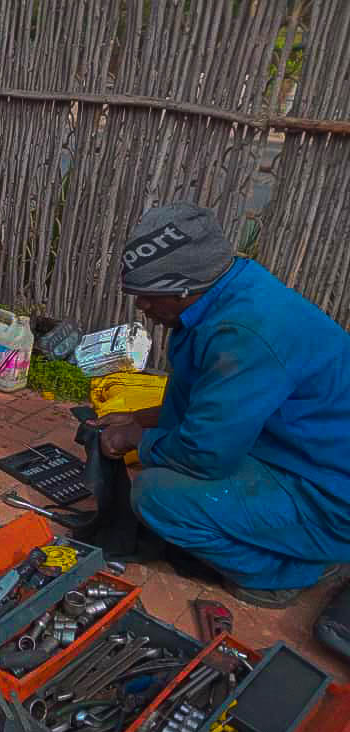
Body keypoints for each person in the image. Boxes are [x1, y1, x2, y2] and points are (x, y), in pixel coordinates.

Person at [95, 203, 350, 609]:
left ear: (181, 287)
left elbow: (205, 455)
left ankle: (289, 573)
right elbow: (201, 399)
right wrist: (137, 420)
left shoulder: (244, 334)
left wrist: (137, 440)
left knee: (156, 495)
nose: (141, 305)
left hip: (329, 497)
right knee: (162, 461)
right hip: (300, 455)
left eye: (148, 294)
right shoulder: (222, 296)